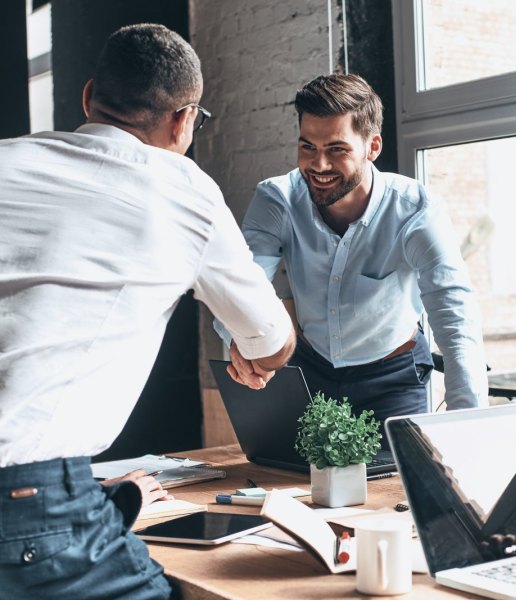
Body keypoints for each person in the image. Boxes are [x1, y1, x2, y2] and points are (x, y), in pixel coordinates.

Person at [0, 24, 295, 598]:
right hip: (30, 503)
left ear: (89, 98)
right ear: (184, 120)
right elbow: (271, 342)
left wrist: (104, 498)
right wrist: (249, 348)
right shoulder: (183, 189)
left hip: (49, 494)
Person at [217, 73, 488, 433]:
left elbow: (455, 315)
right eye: (307, 147)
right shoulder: (277, 199)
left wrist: (468, 425)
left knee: (395, 485)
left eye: (336, 149)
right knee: (291, 482)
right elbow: (240, 284)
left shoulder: (415, 210)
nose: (319, 165)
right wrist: (239, 338)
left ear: (372, 147)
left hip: (392, 378)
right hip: (309, 370)